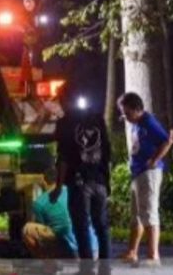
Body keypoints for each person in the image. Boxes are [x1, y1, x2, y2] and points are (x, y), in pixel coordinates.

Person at [51, 85, 111, 260]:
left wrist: (58, 187)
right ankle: (104, 267)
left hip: (79, 183)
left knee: (81, 225)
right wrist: (107, 180)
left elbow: (63, 158)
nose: (60, 103)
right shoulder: (98, 119)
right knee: (102, 226)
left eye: (61, 99)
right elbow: (107, 151)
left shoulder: (64, 123)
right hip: (100, 179)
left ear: (66, 99)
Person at [117, 92, 173, 263]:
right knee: (137, 215)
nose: (125, 116)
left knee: (149, 213)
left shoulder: (149, 121)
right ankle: (132, 251)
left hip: (149, 173)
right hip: (138, 173)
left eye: (127, 113)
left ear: (136, 109)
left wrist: (154, 160)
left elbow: (166, 141)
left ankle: (153, 254)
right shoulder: (137, 123)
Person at [23, 168, 98, 258]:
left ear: (44, 181)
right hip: (93, 250)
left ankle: (48, 264)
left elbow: (43, 231)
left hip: (70, 252)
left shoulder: (40, 202)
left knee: (27, 229)